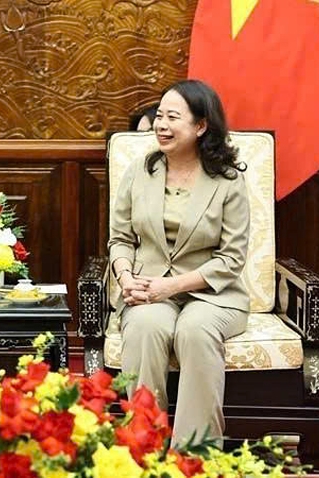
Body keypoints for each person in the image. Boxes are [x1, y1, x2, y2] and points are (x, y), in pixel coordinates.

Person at [108, 80, 249, 447]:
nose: (161, 125)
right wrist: (125, 276)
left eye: (173, 117)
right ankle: (143, 445)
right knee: (145, 326)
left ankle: (195, 453)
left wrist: (172, 286)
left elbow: (232, 258)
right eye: (160, 115)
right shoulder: (140, 171)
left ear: (200, 126)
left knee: (195, 330)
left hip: (213, 296)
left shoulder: (228, 181)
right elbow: (120, 239)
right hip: (148, 289)